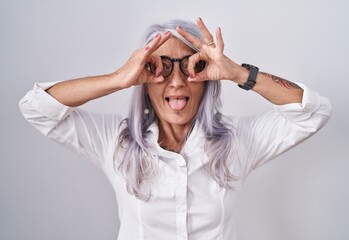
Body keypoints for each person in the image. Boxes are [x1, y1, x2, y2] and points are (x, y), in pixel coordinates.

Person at [19, 18, 331, 240]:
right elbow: (36, 107)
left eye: (190, 67)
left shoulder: (237, 141)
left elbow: (314, 112)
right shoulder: (115, 141)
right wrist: (118, 78)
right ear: (143, 78)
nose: (177, 81)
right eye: (160, 67)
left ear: (207, 80)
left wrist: (237, 73)